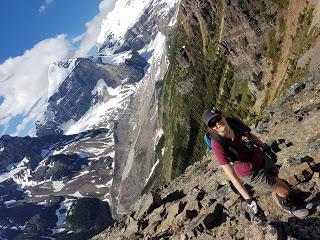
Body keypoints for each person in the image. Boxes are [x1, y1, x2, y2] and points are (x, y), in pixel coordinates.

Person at [202, 107, 306, 217]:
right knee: (284, 190)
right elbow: (231, 175)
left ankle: (279, 196)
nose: (217, 123)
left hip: (260, 157)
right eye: (213, 124)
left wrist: (266, 148)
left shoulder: (235, 123)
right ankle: (289, 206)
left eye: (218, 118)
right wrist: (249, 200)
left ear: (222, 115)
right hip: (251, 173)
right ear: (211, 128)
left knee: (276, 177)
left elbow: (251, 136)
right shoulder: (217, 144)